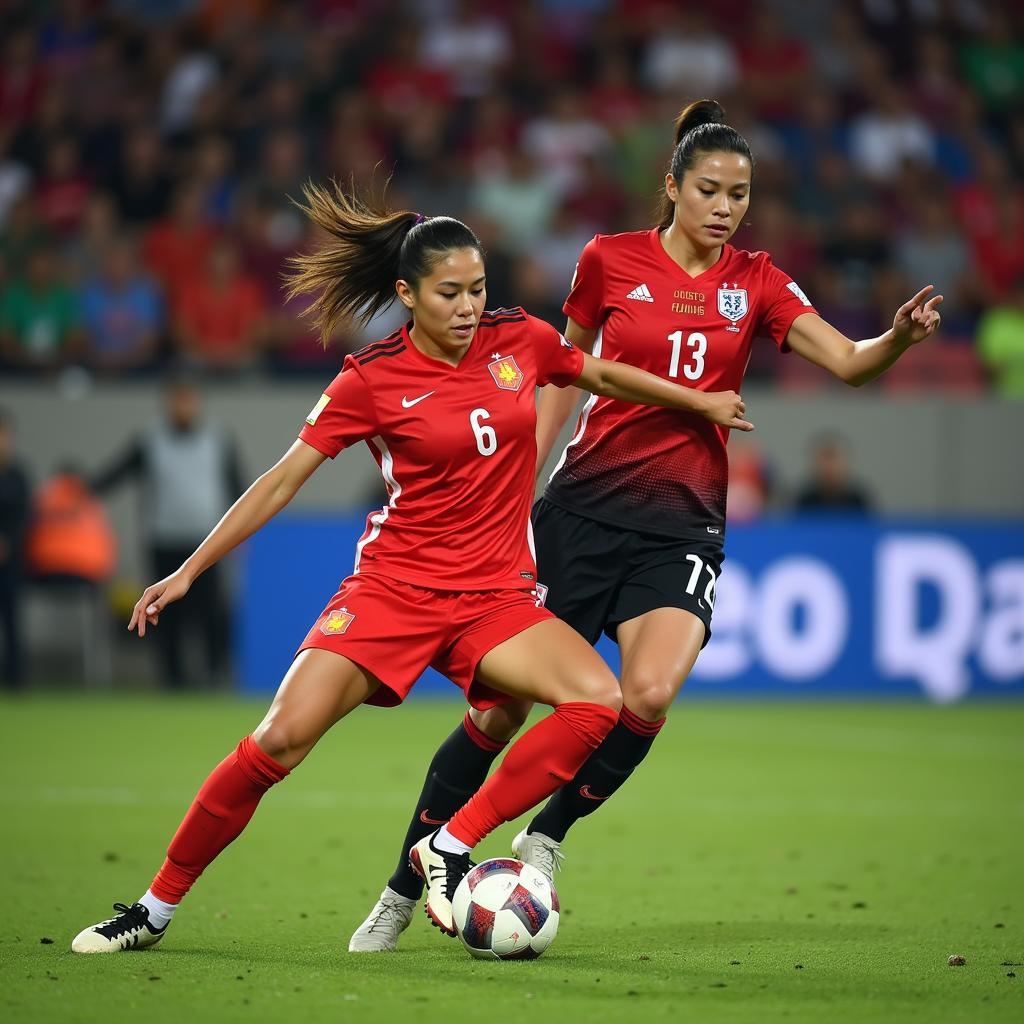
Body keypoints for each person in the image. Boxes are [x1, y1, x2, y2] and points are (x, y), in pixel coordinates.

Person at [70, 183, 754, 954]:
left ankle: (448, 845)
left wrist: (695, 402)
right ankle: (153, 909)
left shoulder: (520, 340)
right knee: (278, 741)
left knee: (598, 703)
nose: (469, 307)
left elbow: (600, 373)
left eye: (479, 289)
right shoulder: (370, 378)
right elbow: (282, 479)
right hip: (391, 591)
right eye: (450, 293)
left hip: (494, 597)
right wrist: (190, 570)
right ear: (407, 294)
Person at [349, 99, 943, 952]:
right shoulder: (608, 261)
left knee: (650, 694)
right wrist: (518, 487)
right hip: (581, 512)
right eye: (709, 189)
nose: (726, 206)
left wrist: (895, 338)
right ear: (672, 186)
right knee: (499, 713)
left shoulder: (761, 281)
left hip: (683, 525)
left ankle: (545, 837)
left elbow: (848, 364)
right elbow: (558, 372)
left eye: (740, 193)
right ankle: (404, 888)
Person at [90, 377, 244, 689]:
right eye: (177, 400)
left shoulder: (217, 439)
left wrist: (241, 535)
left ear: (197, 403)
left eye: (188, 400)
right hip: (163, 539)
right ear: (167, 404)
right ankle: (172, 678)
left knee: (210, 610)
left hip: (207, 542)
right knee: (165, 613)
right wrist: (84, 488)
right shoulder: (150, 440)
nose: (183, 407)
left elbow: (238, 488)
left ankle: (213, 675)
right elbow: (117, 473)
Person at [0, 411, 30, 689]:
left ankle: (16, 679)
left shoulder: (17, 476)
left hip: (10, 563)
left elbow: (25, 517)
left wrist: (7, 542)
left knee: (12, 620)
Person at [794, 434, 874, 514]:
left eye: (834, 460)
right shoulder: (805, 502)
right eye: (824, 460)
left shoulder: (858, 501)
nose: (829, 467)